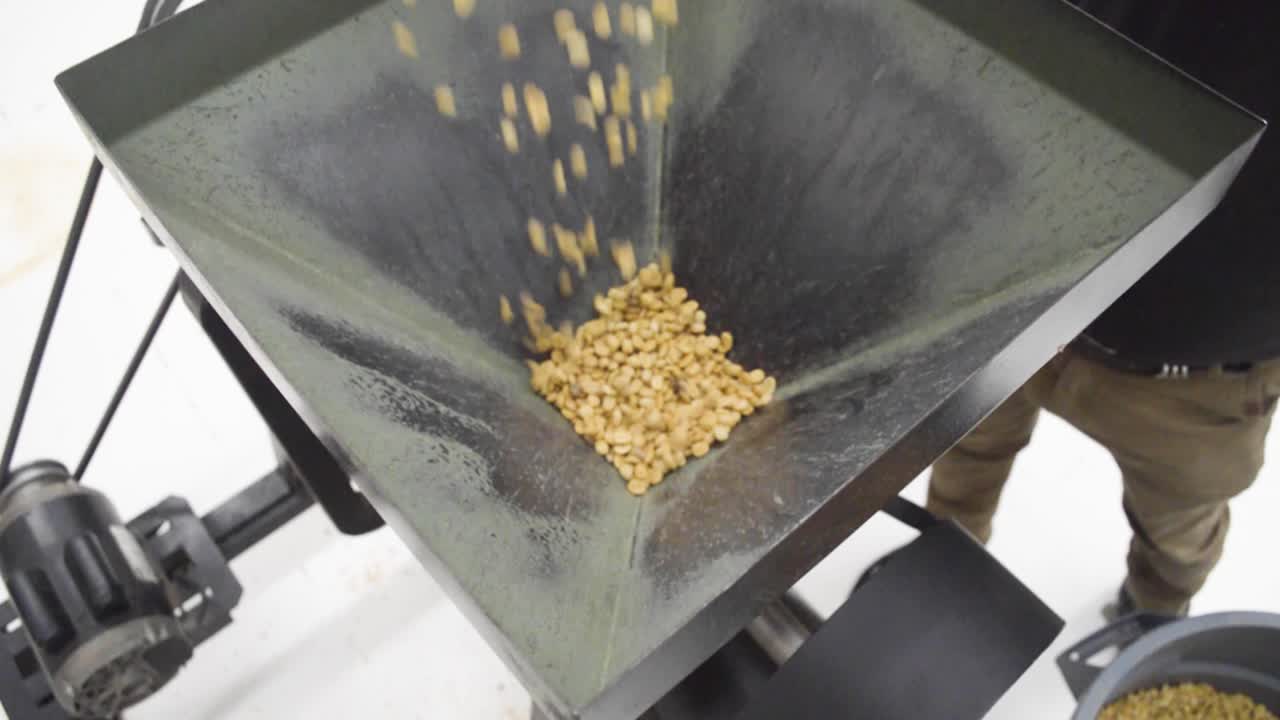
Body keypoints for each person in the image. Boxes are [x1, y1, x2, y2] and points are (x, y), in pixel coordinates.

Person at [926, 0, 1280, 618]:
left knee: (1178, 529)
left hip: (1198, 378)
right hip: (1014, 291)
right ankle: (936, 563)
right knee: (964, 447)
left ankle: (1156, 610)